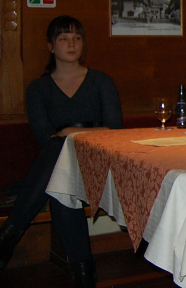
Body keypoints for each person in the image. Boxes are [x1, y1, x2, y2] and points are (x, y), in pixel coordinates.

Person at [0, 16, 123, 287]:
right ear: (50, 46)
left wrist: (68, 132)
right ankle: (84, 275)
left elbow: (115, 130)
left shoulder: (101, 81)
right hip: (59, 164)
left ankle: (8, 234)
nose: (72, 43)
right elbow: (44, 137)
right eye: (63, 38)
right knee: (60, 181)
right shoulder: (38, 89)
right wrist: (65, 137)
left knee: (60, 154)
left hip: (98, 161)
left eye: (77, 38)